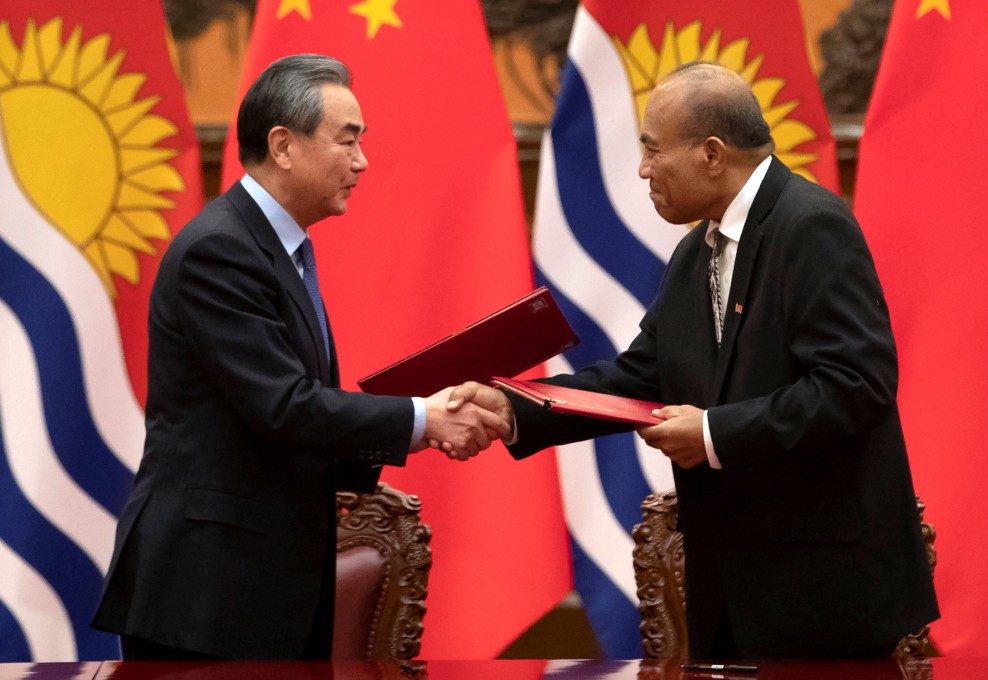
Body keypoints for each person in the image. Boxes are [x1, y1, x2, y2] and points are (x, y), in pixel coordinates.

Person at [445, 62, 939, 659]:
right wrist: (514, 404)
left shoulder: (811, 226)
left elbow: (854, 388)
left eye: (653, 150)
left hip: (825, 593)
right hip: (732, 587)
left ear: (712, 154)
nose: (643, 169)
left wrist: (710, 433)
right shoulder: (696, 250)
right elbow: (637, 375)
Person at [92, 54, 508, 661]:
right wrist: (423, 418)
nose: (362, 161)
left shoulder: (275, 250)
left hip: (261, 586)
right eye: (348, 141)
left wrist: (417, 418)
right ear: (283, 145)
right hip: (206, 594)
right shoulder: (221, 251)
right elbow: (283, 405)